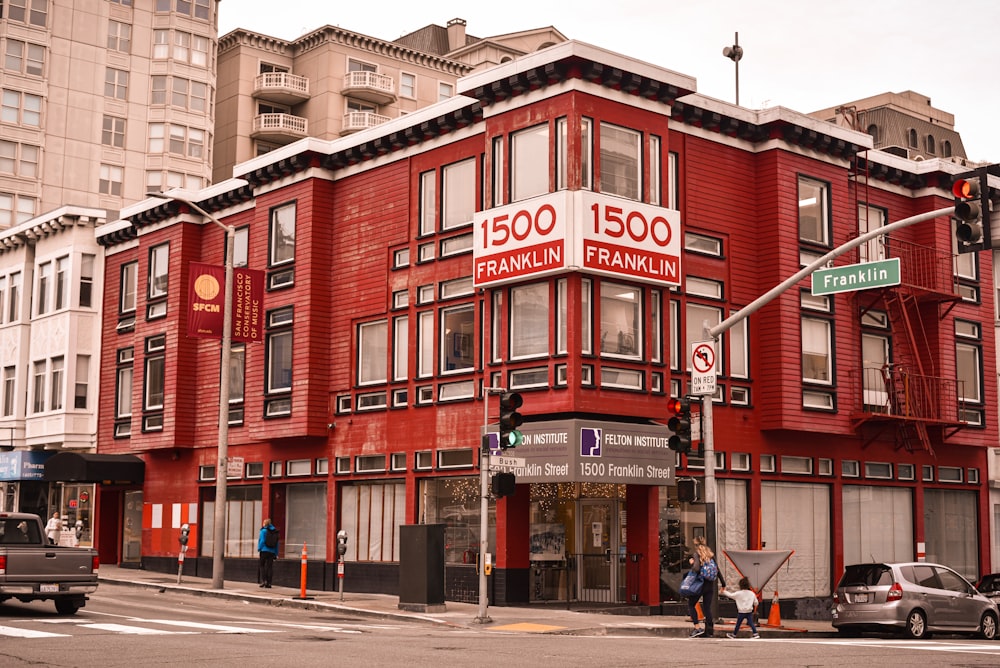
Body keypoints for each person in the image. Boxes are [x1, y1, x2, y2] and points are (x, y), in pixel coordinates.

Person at [687, 536, 719, 638]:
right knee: (707, 608)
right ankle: (709, 631)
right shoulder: (710, 555)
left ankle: (697, 628)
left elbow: (696, 568)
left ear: (695, 544)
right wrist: (723, 584)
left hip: (700, 585)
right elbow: (718, 570)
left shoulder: (696, 554)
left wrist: (692, 564)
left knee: (691, 604)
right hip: (710, 585)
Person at [257, 518, 279, 588]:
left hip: (264, 550)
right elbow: (277, 544)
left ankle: (263, 581)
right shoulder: (275, 531)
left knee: (262, 565)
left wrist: (259, 548)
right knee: (270, 567)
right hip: (272, 552)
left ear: (265, 524)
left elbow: (262, 540)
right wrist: (276, 553)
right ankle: (269, 583)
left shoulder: (263, 531)